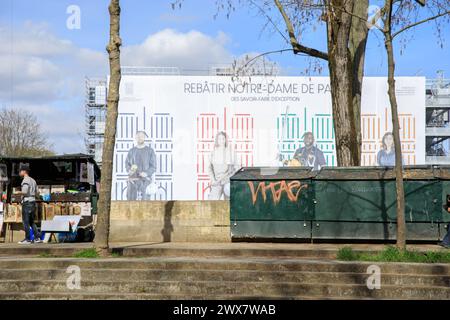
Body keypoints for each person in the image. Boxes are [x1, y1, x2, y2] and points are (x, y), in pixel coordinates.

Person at [125, 131, 157, 200]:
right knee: (130, 198)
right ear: (136, 138)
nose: (140, 138)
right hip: (133, 179)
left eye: (142, 136)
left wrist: (146, 173)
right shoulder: (131, 151)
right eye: (138, 136)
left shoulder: (150, 151)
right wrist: (130, 170)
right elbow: (127, 164)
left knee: (145, 199)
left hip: (146, 179)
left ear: (144, 138)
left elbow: (153, 167)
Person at [208, 132, 236, 200]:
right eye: (219, 139)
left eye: (223, 139)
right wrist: (213, 180)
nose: (221, 141)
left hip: (227, 182)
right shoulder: (213, 153)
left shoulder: (230, 152)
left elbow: (233, 169)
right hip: (217, 182)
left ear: (225, 140)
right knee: (212, 201)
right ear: (217, 140)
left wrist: (227, 178)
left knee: (229, 202)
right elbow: (209, 168)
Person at [18, 166, 41, 244]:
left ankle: (27, 239)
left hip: (27, 202)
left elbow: (24, 191)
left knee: (26, 221)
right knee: (31, 221)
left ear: (24, 171)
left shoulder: (26, 180)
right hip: (33, 202)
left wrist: (17, 192)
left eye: (20, 171)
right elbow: (38, 193)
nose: (19, 172)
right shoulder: (33, 180)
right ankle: (37, 238)